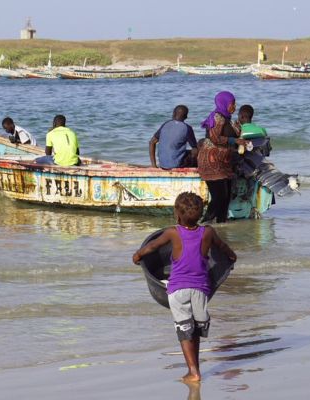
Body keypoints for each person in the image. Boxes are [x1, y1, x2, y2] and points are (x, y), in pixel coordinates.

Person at [132, 192, 237, 383]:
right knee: (195, 329)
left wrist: (137, 255)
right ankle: (195, 367)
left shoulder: (173, 232)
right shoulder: (208, 232)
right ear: (201, 213)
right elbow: (223, 248)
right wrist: (232, 257)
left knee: (183, 330)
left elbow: (153, 246)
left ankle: (193, 372)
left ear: (177, 215)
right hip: (201, 289)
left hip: (178, 289)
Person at [197, 91, 247, 223]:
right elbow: (215, 138)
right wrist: (234, 141)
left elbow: (236, 133)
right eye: (232, 104)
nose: (234, 107)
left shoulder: (228, 119)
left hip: (224, 163)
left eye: (235, 104)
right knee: (219, 196)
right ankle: (204, 223)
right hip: (211, 162)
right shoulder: (217, 117)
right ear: (224, 103)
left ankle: (221, 225)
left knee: (226, 197)